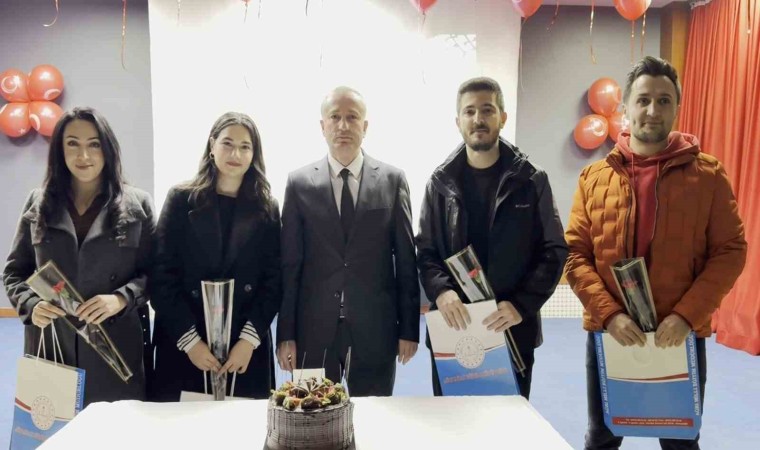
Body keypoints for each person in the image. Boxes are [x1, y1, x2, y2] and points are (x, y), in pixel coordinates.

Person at [565, 56, 747, 450]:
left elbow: (730, 251)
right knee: (602, 437)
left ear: (677, 107)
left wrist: (686, 316)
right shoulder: (594, 178)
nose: (652, 110)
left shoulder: (708, 176)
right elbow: (575, 255)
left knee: (680, 439)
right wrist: (609, 316)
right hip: (611, 333)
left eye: (664, 101)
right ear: (626, 107)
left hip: (678, 335)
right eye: (643, 100)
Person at [416, 77, 567, 399]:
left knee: (508, 422)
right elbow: (426, 251)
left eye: (487, 110)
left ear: (502, 117)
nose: (478, 119)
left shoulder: (531, 179)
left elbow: (554, 250)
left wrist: (521, 305)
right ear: (458, 121)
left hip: (511, 327)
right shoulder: (439, 183)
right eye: (469, 111)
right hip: (454, 328)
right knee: (452, 421)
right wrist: (442, 291)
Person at [3, 107, 155, 405]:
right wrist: (32, 305)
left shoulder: (137, 204)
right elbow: (14, 272)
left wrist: (120, 299)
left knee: (114, 425)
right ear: (60, 150)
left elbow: (154, 273)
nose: (83, 155)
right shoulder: (38, 202)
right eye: (72, 144)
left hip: (114, 346)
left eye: (94, 144)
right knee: (54, 424)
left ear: (107, 149)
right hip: (52, 344)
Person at [276, 86, 419, 396]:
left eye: (352, 117)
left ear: (365, 126)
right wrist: (285, 334)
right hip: (312, 330)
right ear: (322, 126)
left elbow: (406, 260)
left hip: (376, 329)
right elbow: (290, 264)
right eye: (335, 117)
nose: (343, 125)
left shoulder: (392, 180)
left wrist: (409, 329)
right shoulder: (299, 183)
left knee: (374, 416)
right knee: (311, 415)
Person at [151, 112, 281, 401]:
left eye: (245, 147)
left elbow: (274, 282)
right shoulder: (180, 199)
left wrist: (248, 341)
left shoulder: (266, 208)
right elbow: (160, 276)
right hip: (186, 344)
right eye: (227, 143)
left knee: (242, 427)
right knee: (183, 426)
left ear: (254, 154)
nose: (236, 154)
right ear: (212, 145)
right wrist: (191, 342)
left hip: (244, 348)